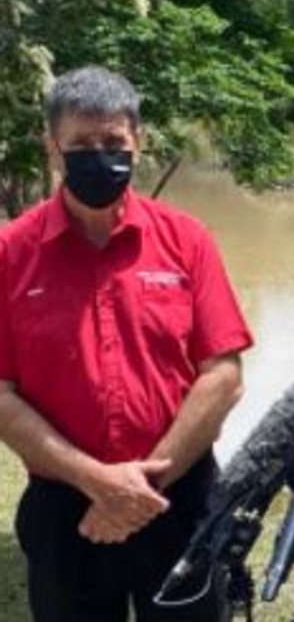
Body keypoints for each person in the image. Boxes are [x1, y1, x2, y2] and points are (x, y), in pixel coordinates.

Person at [0, 66, 254, 621]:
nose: (100, 155)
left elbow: (224, 375)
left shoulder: (187, 241)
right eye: (81, 145)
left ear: (138, 142)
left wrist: (141, 485)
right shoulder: (10, 253)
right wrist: (96, 481)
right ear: (52, 149)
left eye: (113, 142)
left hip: (178, 497)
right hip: (65, 508)